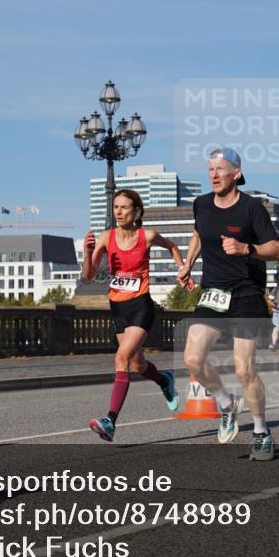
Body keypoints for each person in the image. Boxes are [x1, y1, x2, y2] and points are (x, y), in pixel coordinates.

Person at [177, 148, 279, 461]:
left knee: (244, 369)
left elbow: (276, 249)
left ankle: (262, 431)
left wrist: (245, 248)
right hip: (214, 293)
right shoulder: (202, 204)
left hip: (248, 293)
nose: (213, 175)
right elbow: (198, 234)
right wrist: (187, 264)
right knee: (193, 360)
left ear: (236, 173)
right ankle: (226, 403)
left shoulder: (252, 208)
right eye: (210, 169)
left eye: (220, 169)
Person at [82, 189, 184, 442]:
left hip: (141, 306)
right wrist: (87, 252)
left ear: (137, 212)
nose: (119, 211)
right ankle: (164, 379)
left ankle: (110, 420)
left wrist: (182, 270)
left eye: (125, 207)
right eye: (116, 206)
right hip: (118, 308)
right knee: (137, 365)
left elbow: (172, 247)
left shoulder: (147, 236)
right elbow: (88, 275)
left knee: (121, 357)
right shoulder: (106, 238)